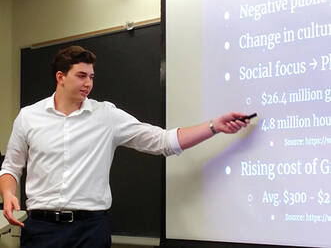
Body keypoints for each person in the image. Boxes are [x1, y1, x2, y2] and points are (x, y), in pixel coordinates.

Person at [0, 46, 249, 248]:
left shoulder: (106, 116)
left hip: (90, 230)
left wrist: (214, 126)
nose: (89, 83)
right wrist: (9, 193)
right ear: (60, 77)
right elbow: (11, 167)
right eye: (81, 75)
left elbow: (163, 141)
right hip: (43, 230)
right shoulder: (28, 117)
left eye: (92, 77)